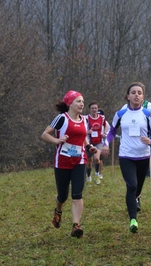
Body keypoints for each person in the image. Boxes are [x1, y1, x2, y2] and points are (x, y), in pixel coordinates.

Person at [102, 82, 151, 233]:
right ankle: (133, 219)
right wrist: (106, 143)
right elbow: (112, 131)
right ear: (128, 96)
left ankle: (137, 198)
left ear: (143, 97)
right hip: (126, 155)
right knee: (132, 186)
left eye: (139, 93)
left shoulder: (148, 114)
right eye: (133, 92)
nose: (136, 95)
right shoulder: (120, 114)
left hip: (143, 156)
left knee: (138, 188)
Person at [41, 90, 99, 238]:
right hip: (62, 161)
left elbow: (84, 137)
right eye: (78, 101)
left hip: (79, 160)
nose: (82, 104)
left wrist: (88, 147)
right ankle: (58, 211)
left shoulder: (84, 120)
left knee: (77, 194)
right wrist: (57, 141)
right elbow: (45, 134)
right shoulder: (61, 118)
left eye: (83, 102)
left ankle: (76, 225)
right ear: (70, 104)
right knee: (63, 195)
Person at [85, 102, 108, 185]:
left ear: (98, 109)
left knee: (97, 159)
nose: (94, 110)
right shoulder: (86, 118)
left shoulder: (102, 118)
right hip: (89, 142)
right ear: (89, 109)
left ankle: (97, 175)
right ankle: (88, 177)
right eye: (92, 108)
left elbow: (106, 125)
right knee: (89, 163)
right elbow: (82, 129)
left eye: (95, 108)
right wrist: (87, 132)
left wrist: (104, 133)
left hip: (98, 142)